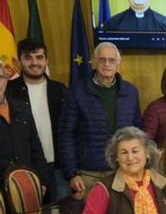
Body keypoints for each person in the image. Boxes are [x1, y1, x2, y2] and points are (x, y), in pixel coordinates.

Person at [58, 42, 141, 193]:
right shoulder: (77, 92)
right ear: (94, 62)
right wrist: (72, 173)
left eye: (112, 60)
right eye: (102, 60)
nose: (107, 64)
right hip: (88, 175)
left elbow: (137, 132)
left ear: (118, 64)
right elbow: (66, 135)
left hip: (123, 171)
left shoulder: (131, 92)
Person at [7, 38, 67, 201]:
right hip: (25, 169)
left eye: (39, 57)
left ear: (46, 60)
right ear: (19, 62)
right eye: (28, 58)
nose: (35, 63)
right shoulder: (8, 91)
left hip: (59, 167)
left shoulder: (59, 90)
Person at [0, 65, 50, 190]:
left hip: (29, 187)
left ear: (7, 80)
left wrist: (42, 180)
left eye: (0, 77)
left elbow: (36, 148)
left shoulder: (22, 108)